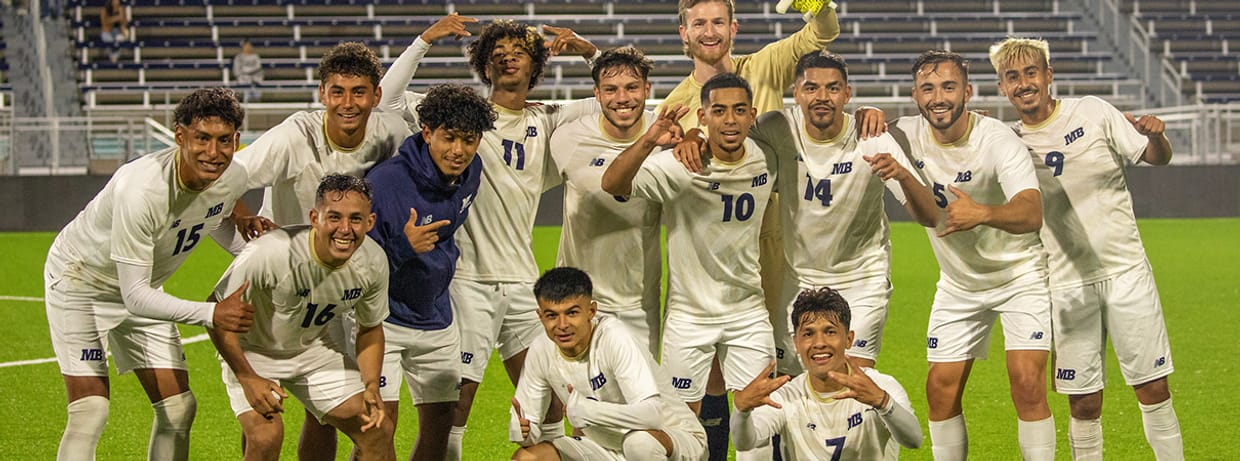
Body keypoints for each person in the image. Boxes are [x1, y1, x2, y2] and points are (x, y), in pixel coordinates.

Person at [378, 16, 600, 458]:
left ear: (535, 63)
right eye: (497, 53)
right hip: (466, 284)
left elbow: (609, 100)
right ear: (485, 65)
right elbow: (388, 99)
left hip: (522, 282)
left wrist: (589, 52)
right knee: (455, 407)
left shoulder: (548, 118)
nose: (507, 57)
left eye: (519, 51)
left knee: (552, 399)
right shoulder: (462, 118)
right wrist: (424, 40)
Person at [658, 3, 846, 454]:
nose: (709, 31)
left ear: (733, 28)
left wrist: (818, 6)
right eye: (699, 23)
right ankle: (718, 450)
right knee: (712, 372)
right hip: (708, 250)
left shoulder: (763, 64)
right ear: (684, 32)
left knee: (782, 353)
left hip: (773, 235)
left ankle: (793, 448)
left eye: (718, 21)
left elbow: (822, 33)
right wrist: (682, 138)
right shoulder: (675, 104)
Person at [677, 50, 938, 375]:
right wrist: (694, 134)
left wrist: (901, 174)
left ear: (847, 93)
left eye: (832, 88)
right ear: (796, 93)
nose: (822, 97)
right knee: (786, 384)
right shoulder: (776, 127)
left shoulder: (871, 138)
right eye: (811, 88)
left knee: (847, 381)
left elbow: (930, 216)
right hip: (798, 279)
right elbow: (727, 131)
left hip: (860, 278)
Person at [989, 38, 1183, 460]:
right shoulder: (1005, 142)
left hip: (1126, 271)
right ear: (1002, 87)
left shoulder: (1092, 112)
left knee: (1152, 388)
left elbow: (1155, 156)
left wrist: (1158, 137)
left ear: (1049, 75)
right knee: (1083, 400)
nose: (1024, 83)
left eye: (1031, 73)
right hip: (1064, 283)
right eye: (1012, 77)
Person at [44, 87, 255, 461]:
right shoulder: (140, 189)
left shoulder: (233, 176)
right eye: (202, 139)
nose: (213, 152)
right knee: (90, 411)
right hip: (81, 282)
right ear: (179, 136)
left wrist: (251, 250)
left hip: (143, 285)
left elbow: (213, 215)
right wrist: (212, 313)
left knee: (178, 410)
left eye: (224, 140)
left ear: (237, 140)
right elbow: (135, 297)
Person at [227, 41, 410, 460]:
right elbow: (229, 175)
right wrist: (241, 216)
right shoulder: (294, 137)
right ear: (322, 94)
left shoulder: (393, 133)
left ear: (376, 95)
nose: (348, 103)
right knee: (265, 429)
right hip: (280, 274)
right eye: (338, 92)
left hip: (342, 276)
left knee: (342, 417)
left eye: (359, 92)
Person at [890, 50, 1055, 460]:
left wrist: (983, 213)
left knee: (1026, 382)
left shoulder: (997, 138)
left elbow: (1032, 212)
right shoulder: (904, 134)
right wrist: (869, 113)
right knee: (939, 388)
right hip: (960, 283)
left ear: (968, 91)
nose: (938, 97)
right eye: (928, 88)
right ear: (915, 96)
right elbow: (852, 125)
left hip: (1020, 276)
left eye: (948, 86)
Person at [602, 73, 775, 461]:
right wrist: (649, 140)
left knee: (760, 424)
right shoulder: (679, 166)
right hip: (689, 317)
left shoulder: (769, 154)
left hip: (748, 312)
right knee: (683, 428)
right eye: (719, 111)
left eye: (739, 110)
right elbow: (612, 182)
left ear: (753, 116)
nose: (729, 120)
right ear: (703, 116)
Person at [207, 174, 393, 461]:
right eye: (334, 217)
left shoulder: (373, 261)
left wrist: (370, 385)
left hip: (312, 350)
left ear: (370, 222)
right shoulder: (269, 252)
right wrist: (246, 376)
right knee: (266, 437)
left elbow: (370, 328)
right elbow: (216, 310)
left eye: (356, 219)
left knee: (377, 430)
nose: (345, 229)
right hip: (251, 351)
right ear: (314, 217)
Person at [364, 84, 496, 461]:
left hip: (436, 317)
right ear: (427, 133)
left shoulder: (472, 171)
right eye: (449, 138)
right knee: (378, 431)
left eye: (469, 140)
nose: (458, 151)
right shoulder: (386, 183)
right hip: (383, 321)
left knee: (440, 427)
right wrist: (403, 248)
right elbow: (357, 268)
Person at [550, 46, 676, 358]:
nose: (622, 98)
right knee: (573, 397)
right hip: (576, 299)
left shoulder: (668, 136)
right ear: (596, 93)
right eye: (611, 89)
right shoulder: (568, 137)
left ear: (647, 89)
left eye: (632, 87)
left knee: (640, 401)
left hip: (639, 302)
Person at [510, 267, 706, 461]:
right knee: (528, 458)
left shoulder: (614, 337)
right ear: (540, 316)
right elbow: (528, 423)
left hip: (675, 440)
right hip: (607, 448)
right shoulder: (541, 350)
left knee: (639, 445)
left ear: (591, 311)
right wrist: (523, 431)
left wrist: (588, 411)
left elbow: (652, 415)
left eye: (572, 313)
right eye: (552, 315)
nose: (562, 325)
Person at [731, 287, 923, 459]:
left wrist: (883, 402)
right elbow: (745, 443)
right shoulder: (786, 396)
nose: (819, 343)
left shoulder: (881, 386)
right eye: (808, 334)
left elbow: (914, 440)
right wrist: (742, 411)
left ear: (848, 339)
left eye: (830, 332)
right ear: (796, 343)